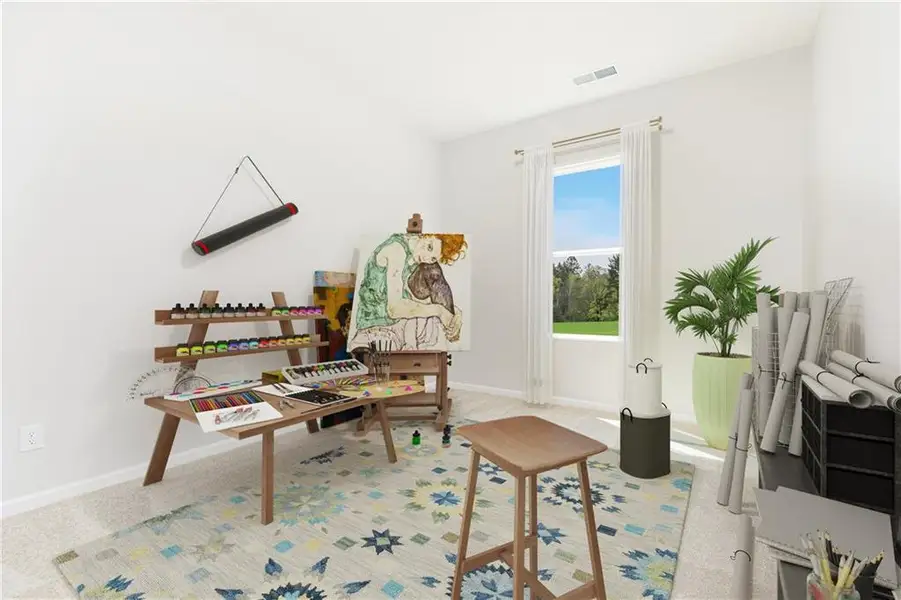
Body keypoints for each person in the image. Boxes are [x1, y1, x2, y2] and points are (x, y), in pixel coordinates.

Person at [349, 233, 466, 351]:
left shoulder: (416, 256)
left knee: (432, 270)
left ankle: (452, 328)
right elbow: (394, 310)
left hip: (404, 326)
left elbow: (416, 297)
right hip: (376, 328)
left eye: (433, 258)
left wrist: (454, 312)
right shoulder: (396, 250)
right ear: (425, 235)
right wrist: (439, 310)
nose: (426, 257)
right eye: (429, 247)